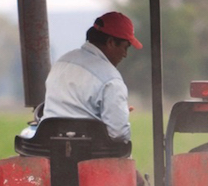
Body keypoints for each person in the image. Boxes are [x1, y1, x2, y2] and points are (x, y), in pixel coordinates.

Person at [39, 11, 142, 142]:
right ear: (111, 42)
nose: (125, 54)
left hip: (48, 146)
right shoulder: (111, 79)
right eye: (125, 47)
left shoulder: (62, 62)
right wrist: (119, 117)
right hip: (89, 153)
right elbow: (118, 133)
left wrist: (115, 110)